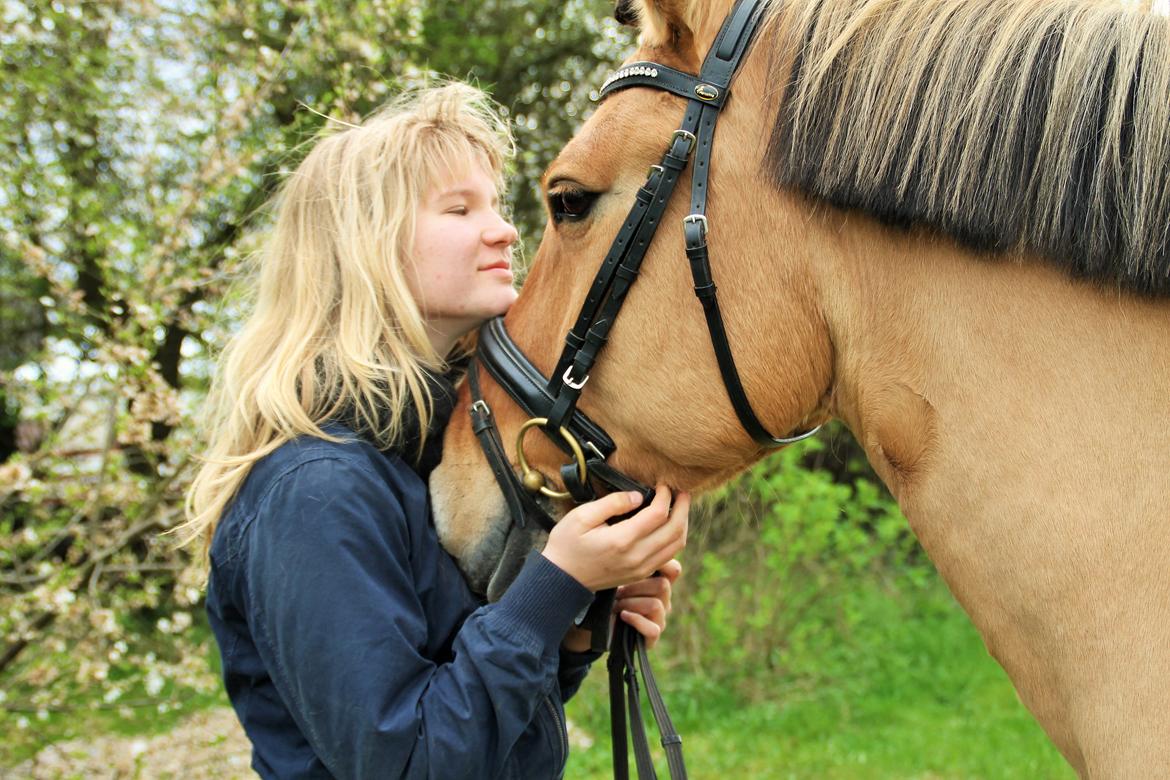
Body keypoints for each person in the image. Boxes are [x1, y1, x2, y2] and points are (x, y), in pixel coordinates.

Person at [180, 82, 690, 779]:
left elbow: (489, 740)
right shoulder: (316, 490)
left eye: (495, 205)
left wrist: (571, 614)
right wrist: (554, 581)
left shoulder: (420, 457)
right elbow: (410, 761)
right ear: (366, 246)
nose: (507, 230)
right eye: (459, 209)